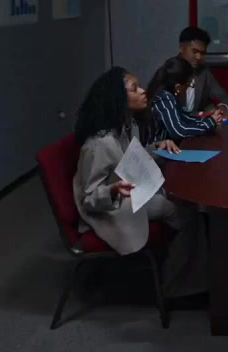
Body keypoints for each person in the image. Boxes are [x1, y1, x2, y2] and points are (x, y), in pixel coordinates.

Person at [72, 67, 208, 300]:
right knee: (182, 211)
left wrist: (157, 147)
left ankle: (188, 277)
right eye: (135, 89)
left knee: (177, 201)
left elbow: (130, 160)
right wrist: (111, 191)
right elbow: (88, 199)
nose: (144, 91)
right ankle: (177, 288)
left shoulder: (120, 130)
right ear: (118, 98)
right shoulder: (100, 143)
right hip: (110, 209)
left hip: (129, 195)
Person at [147, 56, 226, 141]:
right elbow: (179, 131)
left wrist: (209, 119)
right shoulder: (164, 98)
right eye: (188, 85)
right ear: (178, 87)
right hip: (156, 148)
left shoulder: (169, 95)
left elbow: (185, 119)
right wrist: (210, 122)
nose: (188, 88)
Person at [174, 26, 228, 117]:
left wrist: (222, 108)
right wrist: (201, 114)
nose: (198, 57)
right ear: (181, 48)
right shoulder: (169, 71)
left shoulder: (203, 73)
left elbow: (224, 97)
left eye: (202, 53)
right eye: (194, 51)